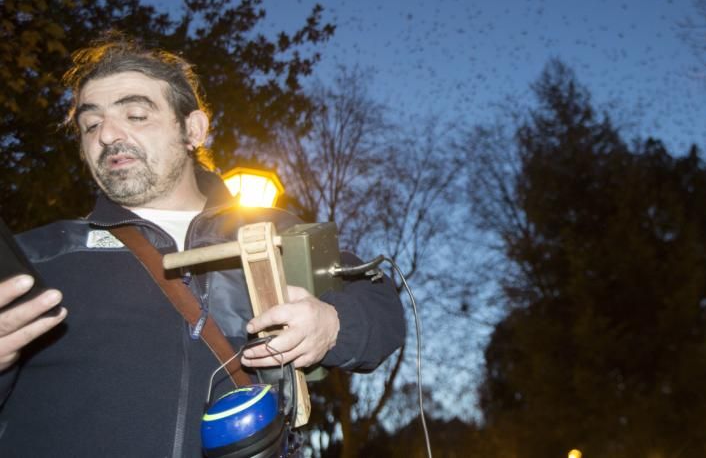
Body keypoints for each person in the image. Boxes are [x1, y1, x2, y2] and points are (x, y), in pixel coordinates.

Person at [0, 38, 406, 456]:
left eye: (135, 114)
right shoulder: (40, 256)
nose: (107, 134)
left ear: (192, 129)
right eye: (90, 125)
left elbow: (381, 303)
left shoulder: (278, 232)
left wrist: (335, 324)